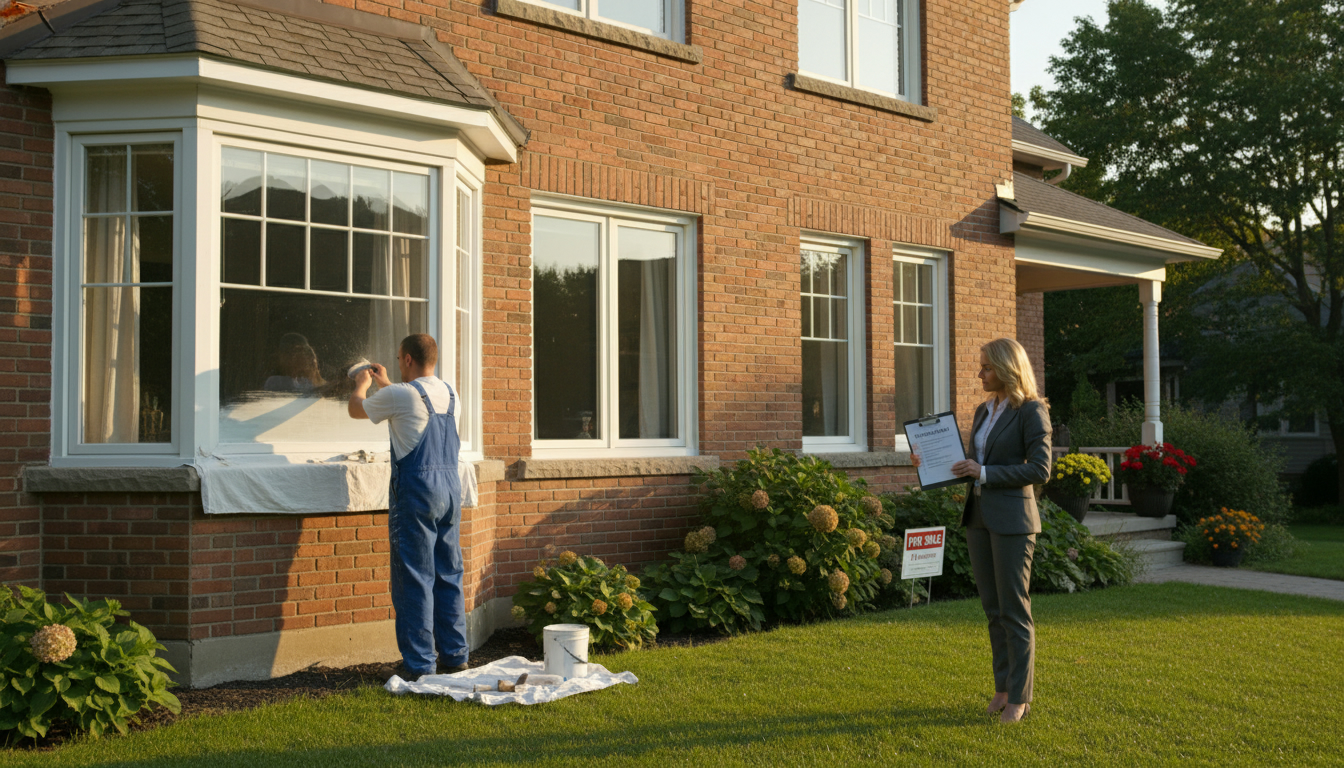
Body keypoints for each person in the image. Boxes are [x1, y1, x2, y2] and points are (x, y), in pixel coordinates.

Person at [913, 337, 1050, 724]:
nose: (980, 374)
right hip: (978, 518)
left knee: (1014, 611)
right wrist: (929, 462)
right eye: (982, 366)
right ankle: (1002, 688)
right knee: (993, 610)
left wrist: (984, 472)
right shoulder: (982, 410)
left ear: (1007, 368)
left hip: (1013, 521)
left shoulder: (1032, 410)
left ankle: (1020, 697)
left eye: (987, 367)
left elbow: (1040, 469)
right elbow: (969, 465)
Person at [348, 334, 468, 680]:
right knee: (448, 574)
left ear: (408, 359)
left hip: (418, 492)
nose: (399, 364)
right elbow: (412, 406)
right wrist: (386, 382)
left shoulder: (400, 394)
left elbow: (357, 409)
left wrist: (361, 385)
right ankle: (455, 655)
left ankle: (419, 665)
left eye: (400, 359)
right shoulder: (450, 393)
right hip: (450, 492)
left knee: (415, 576)